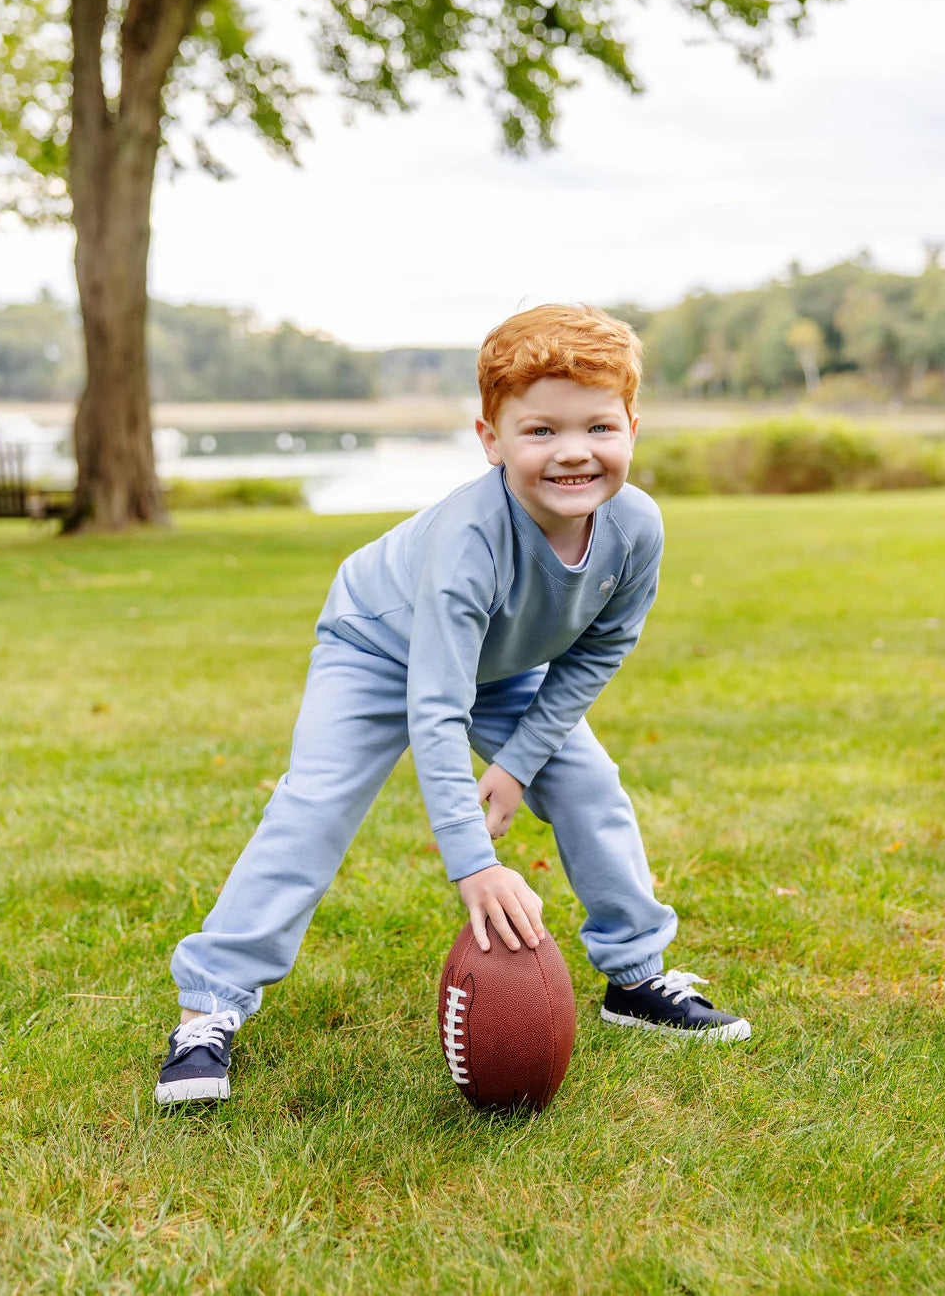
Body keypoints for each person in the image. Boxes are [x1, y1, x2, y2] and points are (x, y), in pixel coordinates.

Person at [156, 304, 750, 1104]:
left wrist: (516, 762)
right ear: (489, 438)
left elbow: (599, 651)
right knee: (315, 805)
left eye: (599, 427)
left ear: (633, 427)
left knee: (589, 784)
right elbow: (434, 707)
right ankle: (210, 1005)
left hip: (501, 666)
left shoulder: (636, 526)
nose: (573, 452)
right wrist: (474, 862)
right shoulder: (468, 538)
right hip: (379, 645)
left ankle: (637, 977)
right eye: (540, 431)